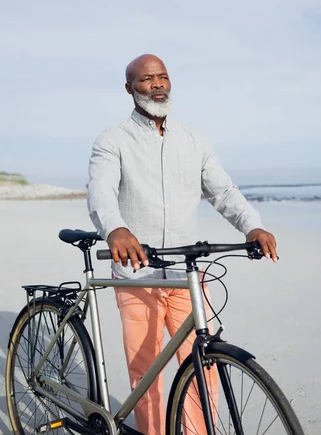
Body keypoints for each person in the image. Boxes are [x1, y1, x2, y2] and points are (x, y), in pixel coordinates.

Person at [87, 54, 278, 435]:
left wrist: (252, 226)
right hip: (136, 273)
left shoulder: (194, 140)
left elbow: (223, 191)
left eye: (163, 77)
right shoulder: (113, 140)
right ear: (130, 88)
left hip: (187, 270)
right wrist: (116, 229)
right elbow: (100, 191)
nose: (157, 84)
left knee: (202, 365)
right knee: (145, 369)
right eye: (146, 79)